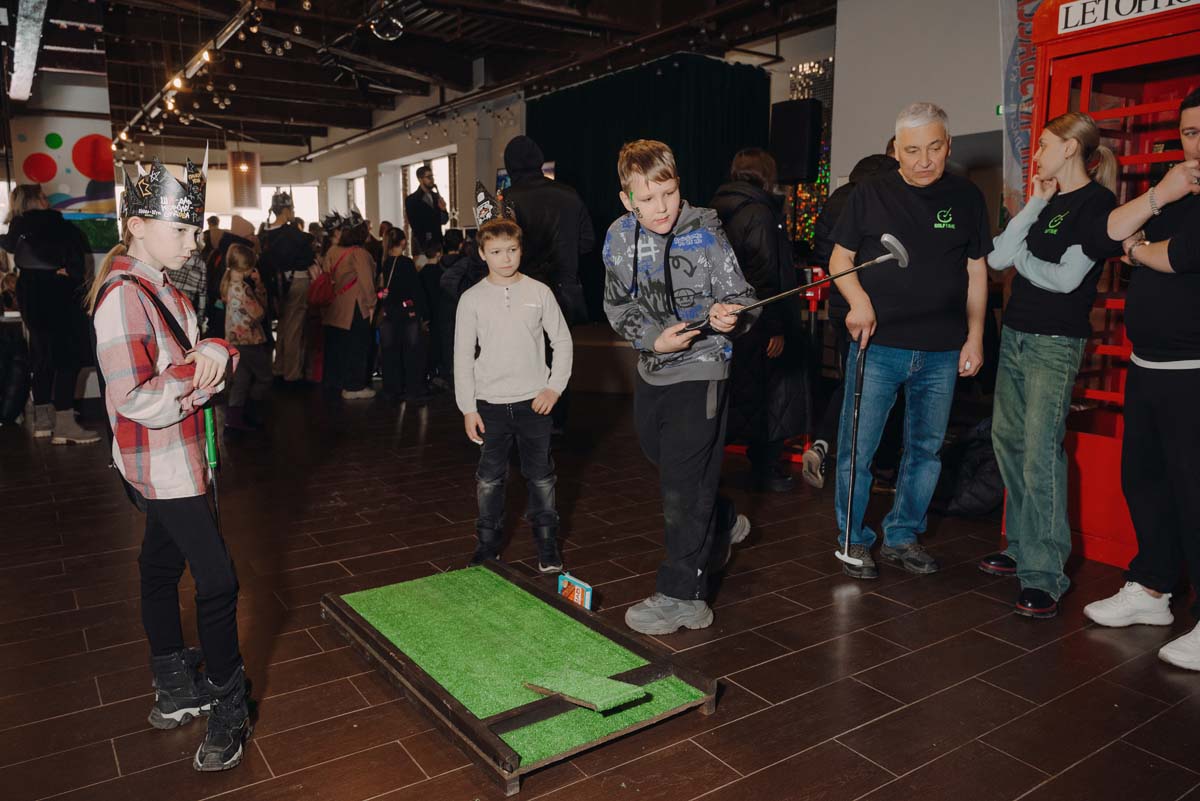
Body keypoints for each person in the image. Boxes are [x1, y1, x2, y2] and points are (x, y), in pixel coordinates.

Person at [88, 156, 250, 772]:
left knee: (159, 565)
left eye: (194, 229)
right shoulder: (123, 297)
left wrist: (212, 350)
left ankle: (175, 688)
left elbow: (189, 351)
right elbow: (133, 397)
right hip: (164, 465)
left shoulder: (160, 285)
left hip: (171, 460)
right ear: (136, 226)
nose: (192, 241)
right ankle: (229, 704)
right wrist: (204, 372)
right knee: (218, 581)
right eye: (179, 229)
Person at [829, 102, 991, 580]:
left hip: (942, 350)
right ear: (896, 149)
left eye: (934, 148)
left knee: (925, 450)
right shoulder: (870, 193)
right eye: (913, 150)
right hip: (878, 346)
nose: (924, 160)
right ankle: (853, 539)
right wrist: (859, 301)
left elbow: (976, 270)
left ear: (948, 146)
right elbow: (839, 260)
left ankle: (902, 536)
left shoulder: (966, 197)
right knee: (858, 449)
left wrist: (975, 337)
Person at [602, 139, 757, 635]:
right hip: (653, 366)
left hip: (704, 366)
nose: (661, 207)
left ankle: (683, 596)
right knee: (666, 459)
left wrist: (732, 315)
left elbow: (742, 297)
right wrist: (653, 338)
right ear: (627, 199)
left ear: (678, 186)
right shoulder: (618, 237)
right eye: (647, 199)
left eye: (667, 193)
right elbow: (617, 305)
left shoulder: (706, 233)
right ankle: (720, 518)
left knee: (683, 486)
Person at [980, 112, 1120, 618]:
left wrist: (1021, 258)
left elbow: (1065, 280)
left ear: (1070, 148)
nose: (1035, 153)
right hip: (1016, 335)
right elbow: (997, 257)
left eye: (1043, 144)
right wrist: (1035, 204)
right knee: (1009, 442)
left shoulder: (1098, 204)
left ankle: (1045, 574)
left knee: (1040, 453)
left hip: (1055, 343)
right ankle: (1021, 547)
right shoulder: (1048, 201)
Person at [1081, 87, 1200, 669]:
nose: (1198, 144)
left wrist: (1140, 251)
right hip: (1148, 364)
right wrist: (1159, 195)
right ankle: (1152, 589)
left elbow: (1180, 256)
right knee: (1146, 482)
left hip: (1195, 370)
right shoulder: (1174, 187)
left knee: (1196, 493)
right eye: (1191, 133)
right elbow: (1108, 233)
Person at [455, 205, 572, 573]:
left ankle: (548, 546)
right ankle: (487, 547)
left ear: (522, 249)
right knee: (489, 479)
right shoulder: (471, 299)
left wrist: (553, 388)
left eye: (512, 250)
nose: (505, 258)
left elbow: (562, 341)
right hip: (489, 404)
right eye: (495, 251)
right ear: (481, 253)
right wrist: (468, 407)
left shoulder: (539, 292)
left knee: (541, 477)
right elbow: (462, 355)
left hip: (534, 402)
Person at [804, 149, 899, 489]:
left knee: (853, 382)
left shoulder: (838, 198)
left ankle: (824, 444)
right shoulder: (884, 197)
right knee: (880, 389)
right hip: (874, 304)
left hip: (840, 304)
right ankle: (873, 466)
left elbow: (822, 252)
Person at [712, 148, 805, 492]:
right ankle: (767, 466)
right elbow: (766, 276)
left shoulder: (716, 208)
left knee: (736, 395)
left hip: (731, 319)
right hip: (761, 320)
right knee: (771, 395)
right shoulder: (761, 212)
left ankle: (711, 468)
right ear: (767, 174)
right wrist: (776, 328)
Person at [502, 135, 596, 435]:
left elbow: (500, 249)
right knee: (560, 353)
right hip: (564, 290)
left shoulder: (507, 199)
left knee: (525, 356)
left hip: (522, 290)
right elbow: (587, 241)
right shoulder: (569, 194)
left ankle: (531, 419)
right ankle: (557, 419)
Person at [0, 184, 98, 444]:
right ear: (35, 200)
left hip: (30, 294)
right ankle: (65, 425)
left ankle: (42, 422)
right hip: (60, 293)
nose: (47, 200)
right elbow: (78, 260)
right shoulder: (58, 224)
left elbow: (10, 247)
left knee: (42, 355)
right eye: (43, 196)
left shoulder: (18, 226)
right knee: (68, 357)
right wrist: (72, 273)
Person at [320, 210, 377, 400]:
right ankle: (354, 386)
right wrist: (372, 304)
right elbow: (367, 283)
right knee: (357, 347)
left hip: (333, 307)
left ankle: (334, 382)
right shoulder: (359, 254)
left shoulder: (333, 251)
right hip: (354, 307)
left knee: (336, 347)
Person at [260, 191, 315, 383]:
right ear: (285, 210)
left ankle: (279, 367)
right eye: (291, 208)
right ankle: (292, 373)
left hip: (276, 285)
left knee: (283, 326)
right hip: (297, 281)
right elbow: (308, 255)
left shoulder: (265, 234)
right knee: (294, 327)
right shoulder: (294, 235)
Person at [221, 244, 272, 431]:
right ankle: (252, 411)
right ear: (247, 268)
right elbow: (259, 313)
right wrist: (259, 286)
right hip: (249, 341)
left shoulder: (228, 284)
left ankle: (233, 420)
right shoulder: (244, 288)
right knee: (265, 377)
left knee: (240, 381)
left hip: (234, 340)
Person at [379, 227, 430, 402]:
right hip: (407, 311)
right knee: (411, 350)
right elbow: (415, 290)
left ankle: (392, 388)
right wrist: (424, 313)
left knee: (390, 351)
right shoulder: (406, 263)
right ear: (402, 242)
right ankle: (413, 389)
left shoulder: (384, 262)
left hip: (389, 311)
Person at [405, 166, 449, 252]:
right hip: (421, 246)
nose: (432, 179)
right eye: (428, 177)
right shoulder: (412, 199)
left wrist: (443, 210)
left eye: (432, 176)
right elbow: (415, 225)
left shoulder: (436, 197)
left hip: (438, 243)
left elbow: (444, 221)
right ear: (420, 179)